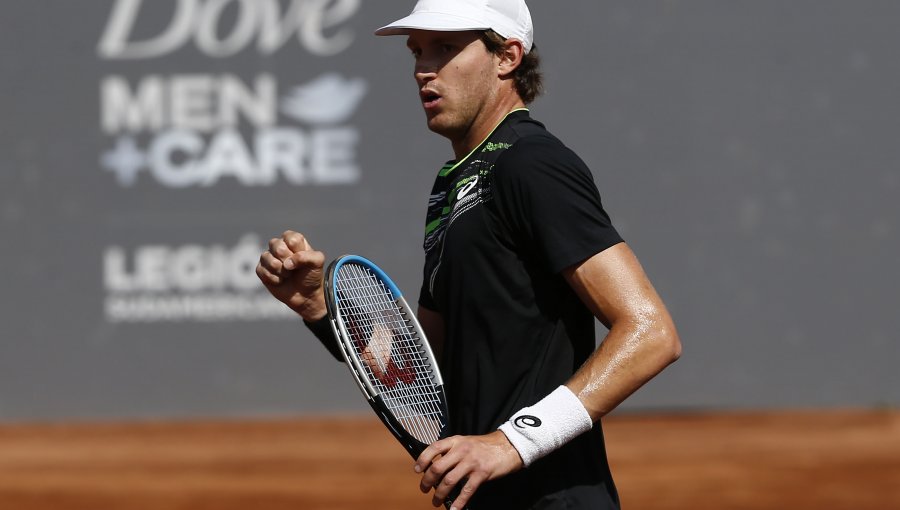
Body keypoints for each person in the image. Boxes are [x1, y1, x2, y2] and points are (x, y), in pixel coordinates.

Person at [256, 0, 682, 508]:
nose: (422, 69)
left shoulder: (532, 163)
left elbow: (651, 333)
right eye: (417, 52)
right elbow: (420, 379)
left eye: (446, 48)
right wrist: (320, 310)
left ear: (508, 57)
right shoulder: (451, 185)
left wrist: (509, 443)